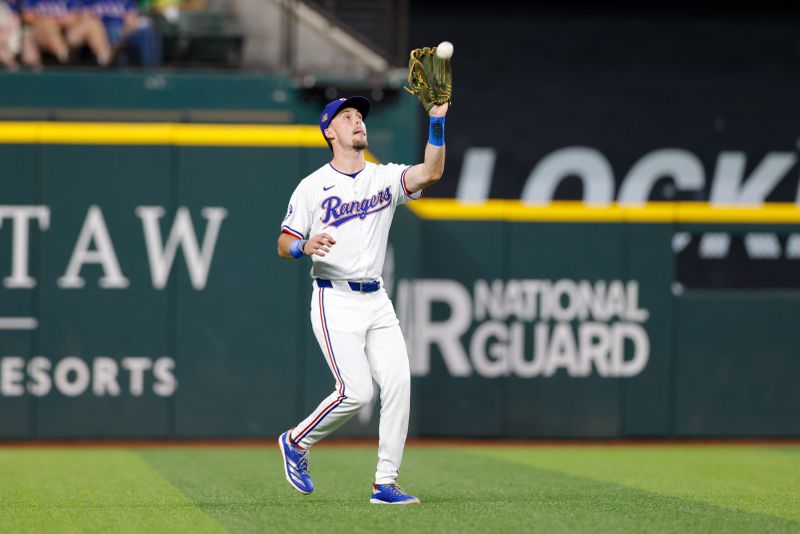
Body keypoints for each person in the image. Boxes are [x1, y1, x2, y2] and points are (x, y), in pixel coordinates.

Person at [277, 95, 448, 505]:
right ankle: (296, 441)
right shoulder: (313, 186)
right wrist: (304, 245)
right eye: (347, 117)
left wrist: (437, 121)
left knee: (398, 384)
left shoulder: (383, 177)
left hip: (377, 299)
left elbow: (431, 172)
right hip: (333, 299)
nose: (358, 122)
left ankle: (384, 483)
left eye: (360, 117)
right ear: (329, 131)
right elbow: (283, 243)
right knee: (356, 393)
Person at [21, 0, 111, 66]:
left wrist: (65, 21)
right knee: (47, 24)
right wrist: (52, 20)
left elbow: (76, 15)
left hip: (66, 33)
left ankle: (104, 61)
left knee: (93, 24)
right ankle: (65, 59)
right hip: (41, 33)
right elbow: (27, 16)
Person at [83, 0, 161, 67]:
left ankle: (151, 71)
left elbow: (131, 20)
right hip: (102, 34)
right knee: (113, 29)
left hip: (124, 31)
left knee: (147, 29)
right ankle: (118, 71)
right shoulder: (92, 1)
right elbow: (85, 17)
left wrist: (125, 30)